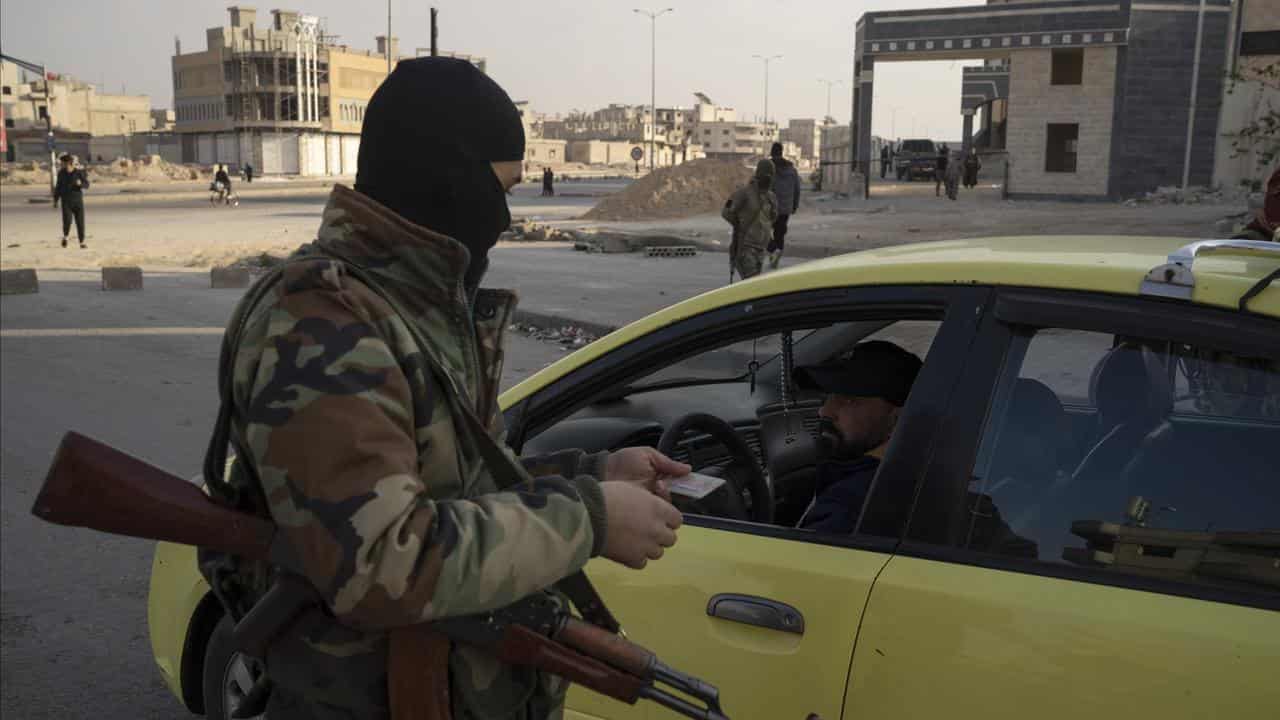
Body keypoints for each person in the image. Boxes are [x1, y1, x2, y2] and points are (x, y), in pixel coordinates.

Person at [212, 57, 688, 719]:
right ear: (445, 178)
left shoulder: (410, 306)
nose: (503, 217)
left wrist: (596, 474)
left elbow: (450, 484)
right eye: (501, 190)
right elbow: (380, 562)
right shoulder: (322, 326)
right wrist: (588, 520)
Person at [793, 341, 1036, 558]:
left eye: (849, 400)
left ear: (898, 419)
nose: (825, 411)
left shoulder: (848, 506)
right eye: (829, 397)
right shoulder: (953, 487)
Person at [722, 158, 778, 280]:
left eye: (771, 176)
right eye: (766, 176)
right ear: (759, 175)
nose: (769, 179)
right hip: (746, 247)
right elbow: (726, 212)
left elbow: (772, 218)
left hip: (761, 248)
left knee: (752, 285)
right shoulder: (744, 193)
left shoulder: (771, 197)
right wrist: (739, 224)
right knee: (752, 284)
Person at [767, 142, 801, 269]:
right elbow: (797, 189)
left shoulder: (768, 167)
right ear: (781, 152)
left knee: (764, 231)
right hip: (786, 207)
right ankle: (776, 255)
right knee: (780, 233)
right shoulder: (792, 170)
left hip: (769, 207)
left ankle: (772, 250)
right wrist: (794, 206)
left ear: (772, 152)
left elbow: (760, 186)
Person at [52, 153, 90, 248]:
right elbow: (58, 187)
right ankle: (65, 237)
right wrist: (55, 200)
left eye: (63, 163)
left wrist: (80, 184)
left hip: (78, 202)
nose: (61, 165)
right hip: (66, 202)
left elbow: (87, 185)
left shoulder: (78, 173)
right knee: (67, 221)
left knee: (80, 222)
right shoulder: (61, 173)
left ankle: (82, 242)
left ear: (68, 163)